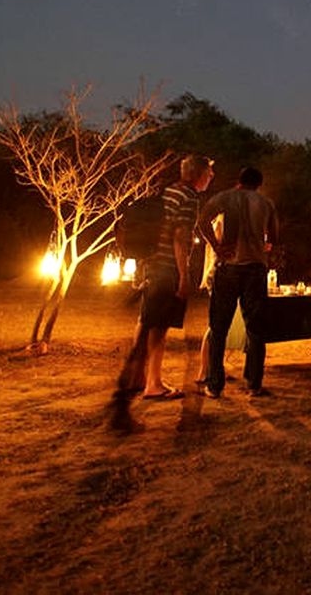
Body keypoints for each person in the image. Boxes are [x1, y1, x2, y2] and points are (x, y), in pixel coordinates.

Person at [111, 155, 213, 430]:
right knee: (159, 327)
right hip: (167, 268)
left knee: (146, 322)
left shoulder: (167, 192)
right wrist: (183, 276)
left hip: (149, 265)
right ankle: (151, 384)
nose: (211, 178)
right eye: (209, 174)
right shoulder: (189, 197)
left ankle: (143, 379)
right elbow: (180, 237)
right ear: (199, 174)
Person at [199, 166, 279, 398]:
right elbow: (273, 235)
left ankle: (215, 385)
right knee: (255, 329)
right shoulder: (265, 203)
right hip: (255, 268)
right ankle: (254, 384)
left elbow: (203, 220)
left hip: (229, 266)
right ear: (259, 184)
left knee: (219, 328)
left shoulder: (225, 197)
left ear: (239, 181)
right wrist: (265, 247)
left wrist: (216, 246)